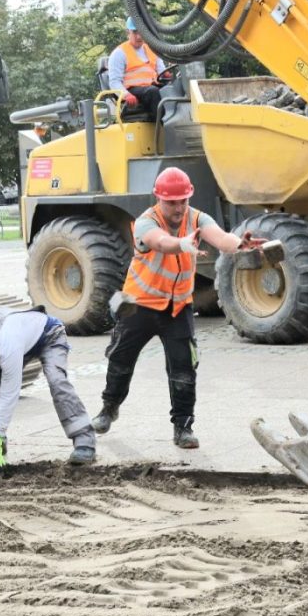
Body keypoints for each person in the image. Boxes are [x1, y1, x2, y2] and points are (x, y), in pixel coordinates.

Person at [92, 167, 250, 449]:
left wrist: (240, 244)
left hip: (177, 307)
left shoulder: (198, 218)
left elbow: (221, 238)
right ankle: (108, 408)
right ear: (158, 199)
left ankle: (183, 427)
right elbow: (160, 242)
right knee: (119, 359)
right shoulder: (144, 222)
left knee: (184, 369)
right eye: (171, 202)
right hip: (135, 303)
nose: (178, 208)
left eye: (183, 201)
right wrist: (182, 244)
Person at [0, 308, 96, 469]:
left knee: (56, 380)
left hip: (48, 334)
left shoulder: (7, 347)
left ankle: (84, 441)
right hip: (17, 338)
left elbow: (9, 395)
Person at [107, 16, 171, 116]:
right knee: (153, 92)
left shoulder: (152, 49)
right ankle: (165, 128)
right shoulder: (119, 53)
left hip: (151, 87)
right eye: (135, 32)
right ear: (128, 33)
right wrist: (126, 95)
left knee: (173, 89)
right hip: (133, 91)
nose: (139, 36)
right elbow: (114, 82)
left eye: (141, 32)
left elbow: (161, 72)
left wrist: (167, 75)